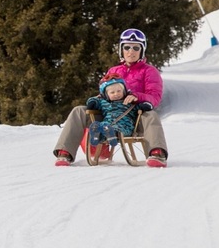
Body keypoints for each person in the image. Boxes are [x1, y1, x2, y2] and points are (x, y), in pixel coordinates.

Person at [52, 28, 170, 168]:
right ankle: (65, 153)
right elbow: (104, 91)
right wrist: (98, 99)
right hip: (109, 115)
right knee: (79, 111)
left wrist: (136, 96)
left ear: (142, 50)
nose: (130, 51)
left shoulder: (149, 71)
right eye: (126, 47)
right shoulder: (114, 71)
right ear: (121, 50)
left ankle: (157, 153)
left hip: (134, 115)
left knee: (151, 115)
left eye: (135, 47)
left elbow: (154, 97)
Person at [85, 74, 141, 147]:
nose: (116, 94)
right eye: (112, 92)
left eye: (119, 91)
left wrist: (144, 105)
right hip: (107, 123)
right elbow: (96, 99)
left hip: (125, 124)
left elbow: (137, 107)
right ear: (106, 94)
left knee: (116, 128)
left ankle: (112, 135)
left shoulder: (128, 101)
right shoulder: (104, 102)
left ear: (124, 91)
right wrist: (92, 102)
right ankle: (97, 135)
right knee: (102, 126)